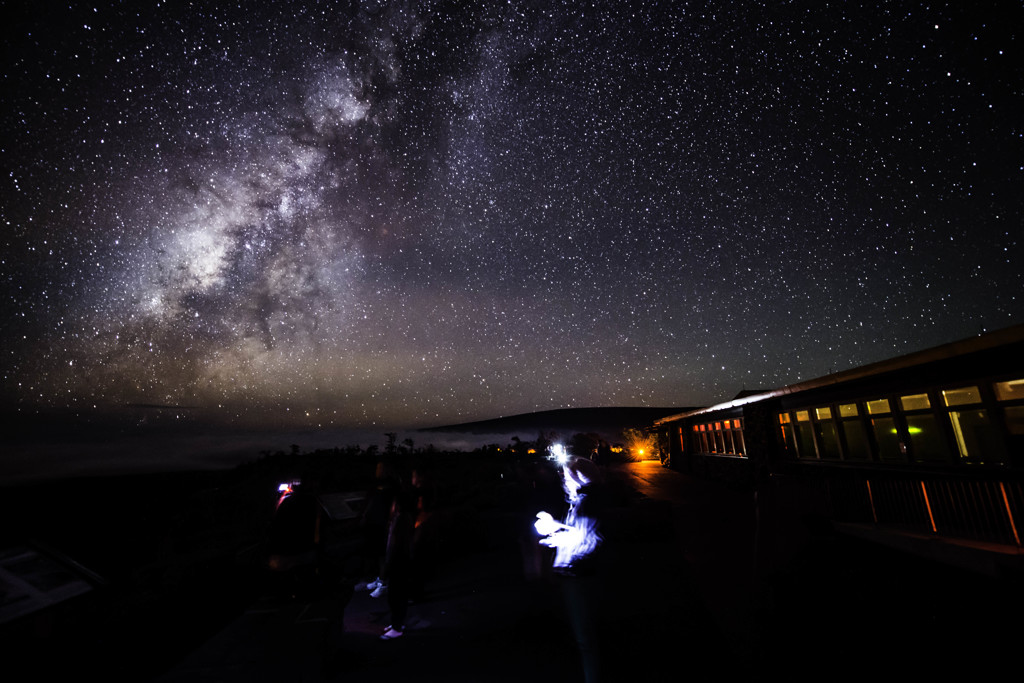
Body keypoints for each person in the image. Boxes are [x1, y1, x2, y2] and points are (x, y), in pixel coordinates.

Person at [380, 489, 416, 640]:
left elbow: (395, 544)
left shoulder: (401, 519)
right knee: (397, 595)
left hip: (398, 561)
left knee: (396, 596)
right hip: (401, 560)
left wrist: (387, 565)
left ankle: (397, 627)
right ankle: (397, 624)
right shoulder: (403, 518)